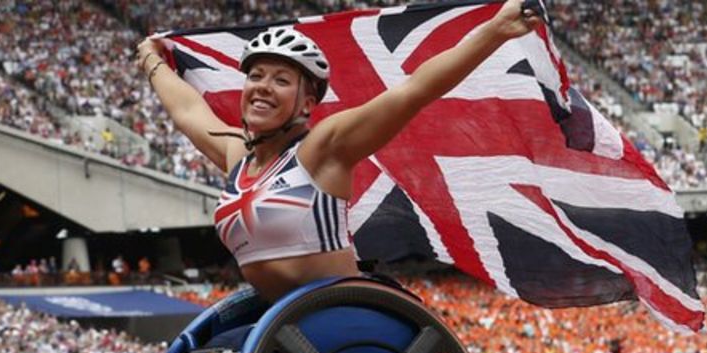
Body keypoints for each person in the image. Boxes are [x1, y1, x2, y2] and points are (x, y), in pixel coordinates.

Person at [138, 0, 541, 302]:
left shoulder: (322, 147)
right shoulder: (235, 155)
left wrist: (496, 31)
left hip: (339, 318)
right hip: (274, 321)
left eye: (281, 80)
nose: (262, 87)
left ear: (307, 104)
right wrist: (151, 59)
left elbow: (413, 90)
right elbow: (187, 111)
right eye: (256, 76)